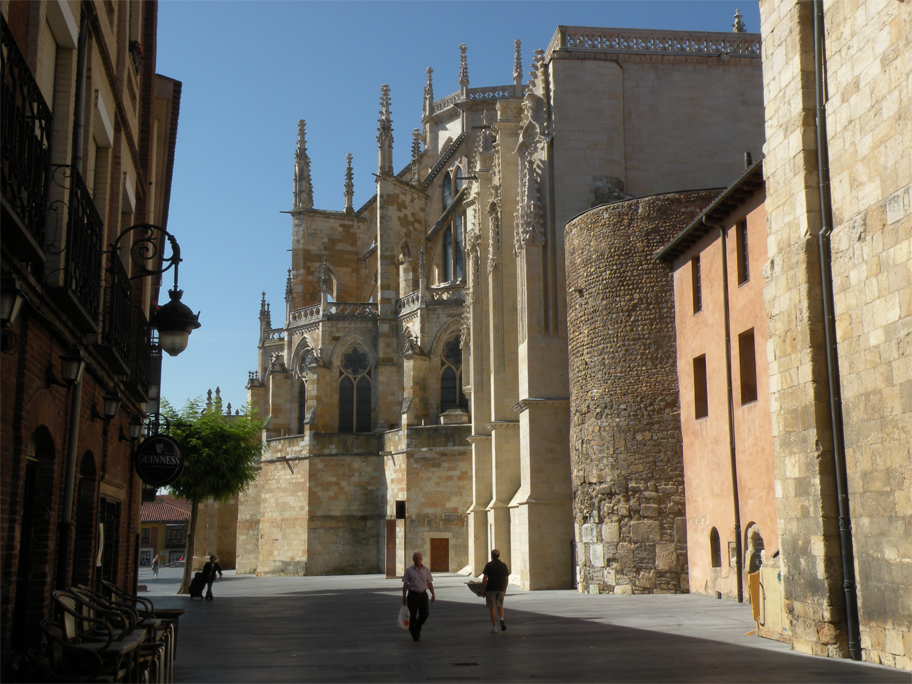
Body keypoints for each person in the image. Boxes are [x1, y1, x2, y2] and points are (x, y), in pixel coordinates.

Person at [401, 552, 435, 642]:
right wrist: (404, 597)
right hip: (412, 595)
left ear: (422, 559)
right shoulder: (409, 571)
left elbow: (429, 583)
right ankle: (415, 635)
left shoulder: (426, 570)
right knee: (412, 615)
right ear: (413, 560)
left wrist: (433, 594)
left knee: (425, 613)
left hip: (423, 594)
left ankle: (417, 625)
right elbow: (405, 584)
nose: (417, 560)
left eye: (419, 558)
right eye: (416, 558)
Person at [481, 549, 510, 634]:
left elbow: (485, 578)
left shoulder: (489, 565)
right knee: (500, 605)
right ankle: (501, 618)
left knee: (492, 607)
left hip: (491, 588)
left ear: (492, 556)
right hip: (501, 588)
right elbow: (506, 578)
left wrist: (483, 589)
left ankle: (494, 627)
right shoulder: (503, 565)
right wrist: (505, 587)